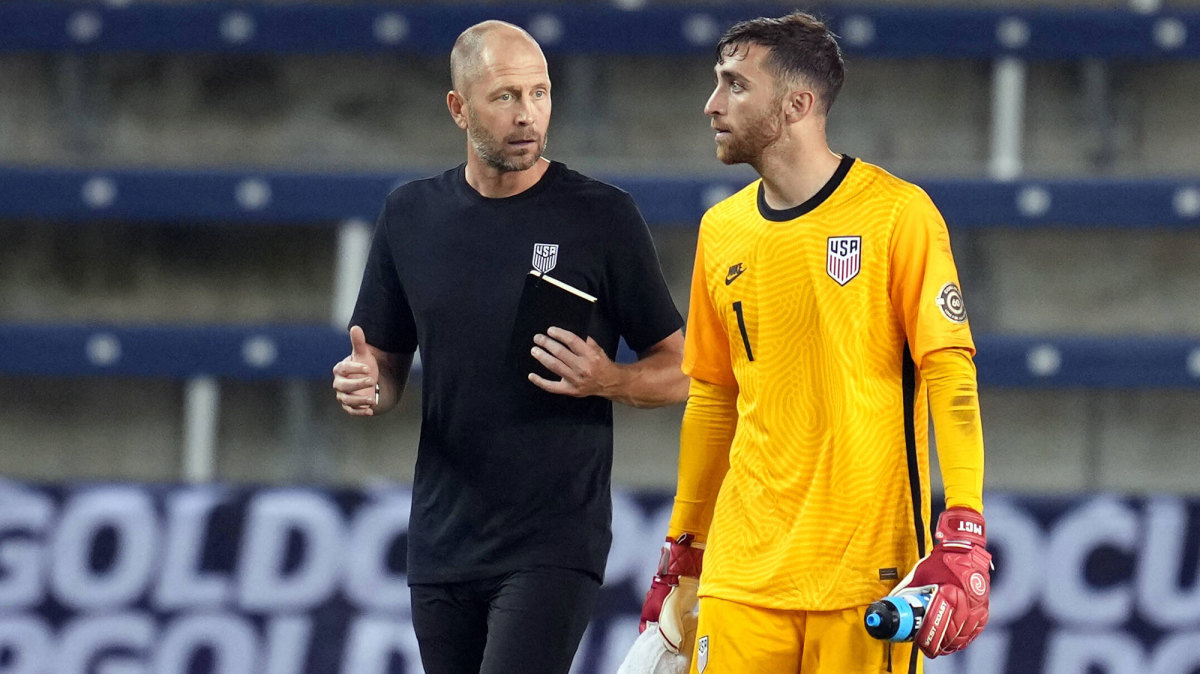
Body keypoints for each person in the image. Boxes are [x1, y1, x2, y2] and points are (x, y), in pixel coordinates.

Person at [626, 12, 991, 674]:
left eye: (735, 85)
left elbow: (950, 373)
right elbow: (712, 398)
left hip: (864, 574)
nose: (711, 105)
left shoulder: (897, 215)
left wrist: (963, 527)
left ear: (796, 104)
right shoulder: (722, 230)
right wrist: (684, 546)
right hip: (741, 572)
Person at [330, 20, 688, 674]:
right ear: (458, 108)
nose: (528, 115)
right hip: (442, 540)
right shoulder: (411, 215)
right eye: (505, 97)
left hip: (553, 539)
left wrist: (609, 378)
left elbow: (682, 366)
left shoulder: (600, 216)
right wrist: (366, 385)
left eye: (540, 93)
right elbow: (380, 366)